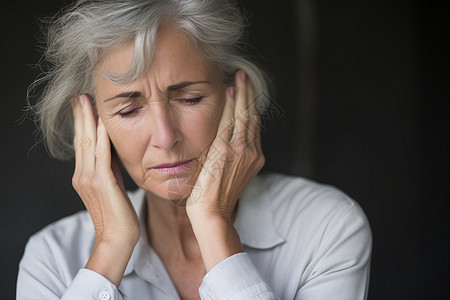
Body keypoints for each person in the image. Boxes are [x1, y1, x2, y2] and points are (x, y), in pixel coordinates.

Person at [17, 0, 372, 299]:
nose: (165, 136)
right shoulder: (53, 257)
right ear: (93, 126)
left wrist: (214, 227)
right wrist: (110, 248)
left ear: (234, 99)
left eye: (189, 99)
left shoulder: (326, 227)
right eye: (128, 110)